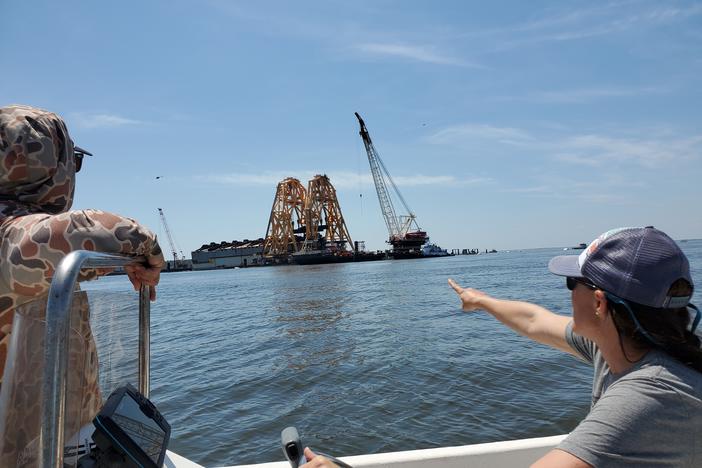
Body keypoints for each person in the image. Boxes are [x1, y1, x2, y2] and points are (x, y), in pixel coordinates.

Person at [449, 226, 702, 467]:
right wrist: (481, 301)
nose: (568, 292)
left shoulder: (652, 394)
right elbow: (534, 320)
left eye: (572, 282)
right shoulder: (625, 346)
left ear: (599, 303)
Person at [0, 104, 165, 464]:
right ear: (45, 168)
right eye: (72, 161)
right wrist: (146, 248)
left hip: (50, 444)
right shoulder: (10, 237)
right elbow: (66, 237)